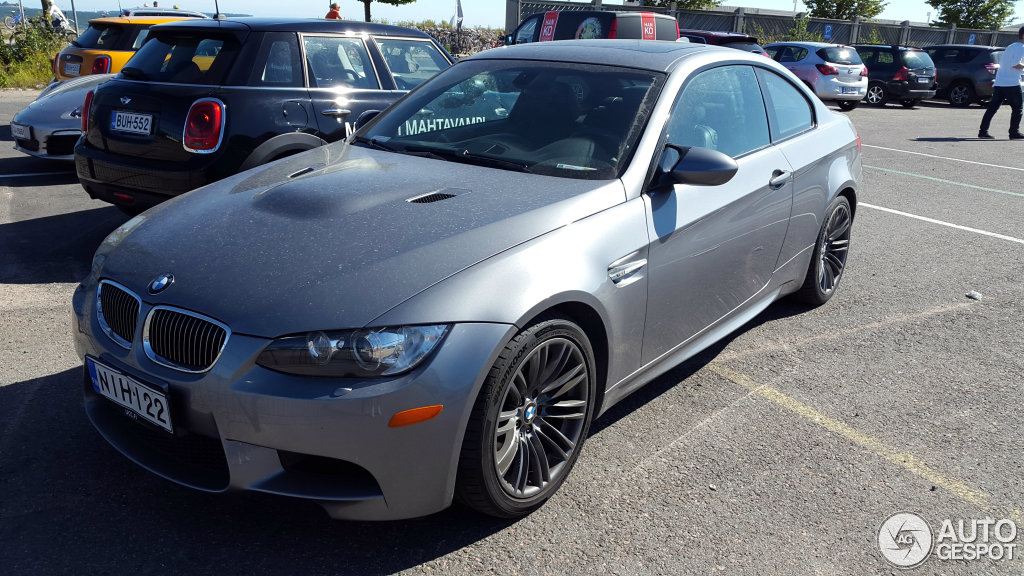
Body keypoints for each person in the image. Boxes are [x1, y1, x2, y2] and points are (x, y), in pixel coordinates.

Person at [978, 26, 1024, 140]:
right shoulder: (1021, 48)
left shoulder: (1010, 46)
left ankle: (983, 131)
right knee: (1018, 108)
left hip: (1000, 82)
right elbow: (1015, 64)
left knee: (992, 108)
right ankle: (1014, 132)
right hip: (1012, 83)